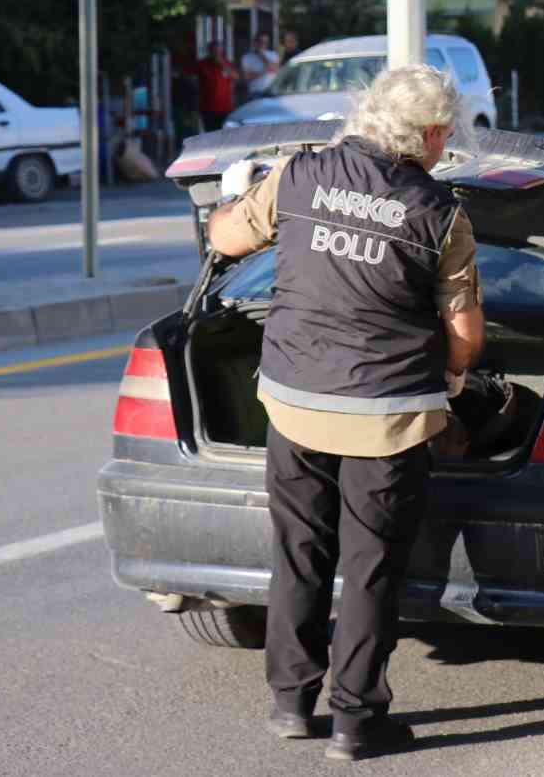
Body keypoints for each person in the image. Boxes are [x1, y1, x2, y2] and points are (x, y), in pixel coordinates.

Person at [206, 64, 484, 762]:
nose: (447, 143)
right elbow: (466, 331)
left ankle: (291, 703)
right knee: (369, 565)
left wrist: (223, 205)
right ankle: (358, 722)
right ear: (424, 133)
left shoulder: (299, 176)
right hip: (388, 414)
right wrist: (453, 375)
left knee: (298, 550)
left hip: (296, 400)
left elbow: (231, 241)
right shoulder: (440, 211)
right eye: (445, 132)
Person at [191, 40, 238, 132]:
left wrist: (222, 64)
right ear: (209, 51)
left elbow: (236, 76)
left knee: (224, 133)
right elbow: (192, 78)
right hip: (207, 107)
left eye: (218, 50)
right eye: (213, 50)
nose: (216, 53)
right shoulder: (202, 64)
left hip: (225, 107)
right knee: (209, 132)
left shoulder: (227, 63)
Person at [240, 31, 281, 99]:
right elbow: (247, 77)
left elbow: (277, 70)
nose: (263, 44)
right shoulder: (247, 57)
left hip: (272, 92)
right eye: (261, 41)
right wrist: (264, 71)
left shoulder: (273, 55)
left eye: (265, 42)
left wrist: (262, 56)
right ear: (255, 42)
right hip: (255, 92)